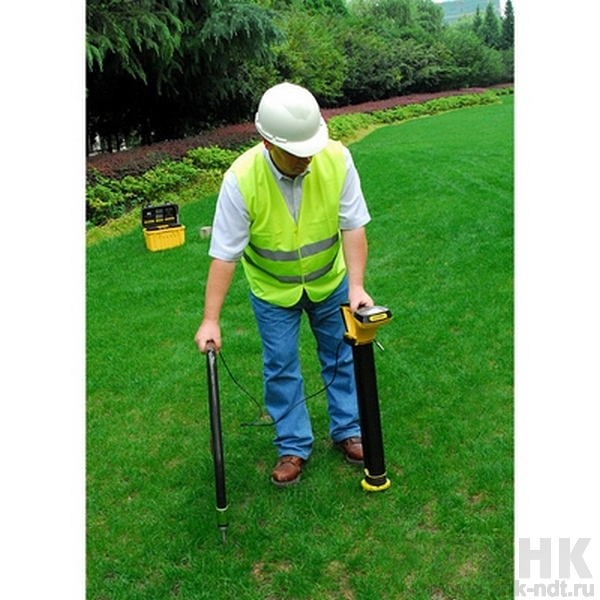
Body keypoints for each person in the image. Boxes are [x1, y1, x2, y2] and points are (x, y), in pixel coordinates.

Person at [194, 82, 374, 487]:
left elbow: (353, 225)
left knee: (340, 357)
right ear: (268, 142)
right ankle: (293, 445)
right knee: (280, 366)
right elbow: (224, 253)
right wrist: (210, 319)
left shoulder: (337, 159)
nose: (307, 158)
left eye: (311, 148)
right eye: (297, 152)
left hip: (329, 281)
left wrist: (357, 285)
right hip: (273, 292)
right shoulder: (241, 179)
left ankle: (348, 430)